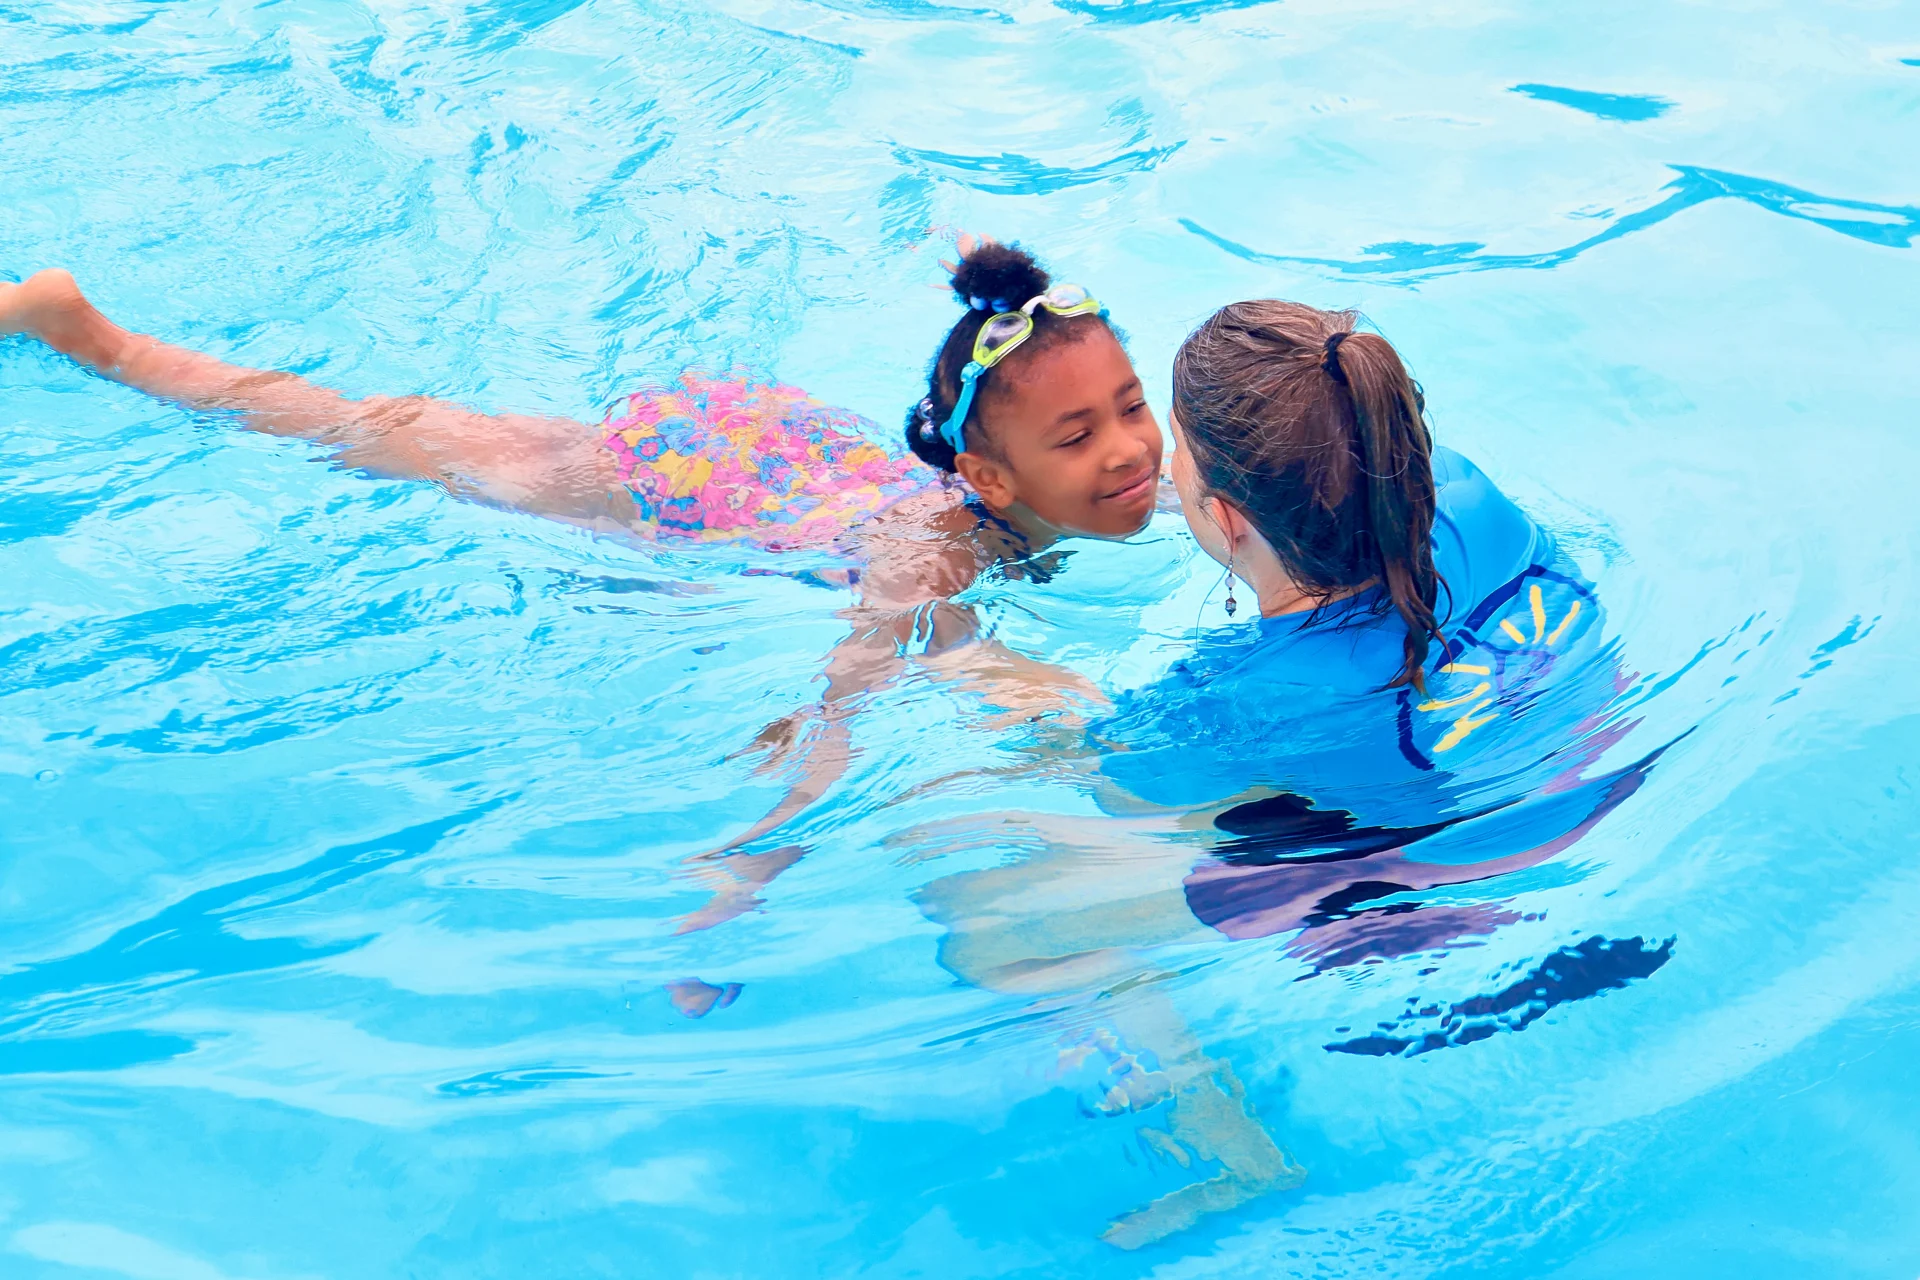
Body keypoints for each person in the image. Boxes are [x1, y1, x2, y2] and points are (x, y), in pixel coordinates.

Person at [0, 238, 1163, 920]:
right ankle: (102, 345)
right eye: (1078, 438)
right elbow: (853, 690)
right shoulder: (936, 555)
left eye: (1130, 408)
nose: (1128, 450)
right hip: (693, 485)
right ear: (987, 477)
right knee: (374, 434)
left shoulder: (1059, 482)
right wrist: (756, 851)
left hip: (779, 447)